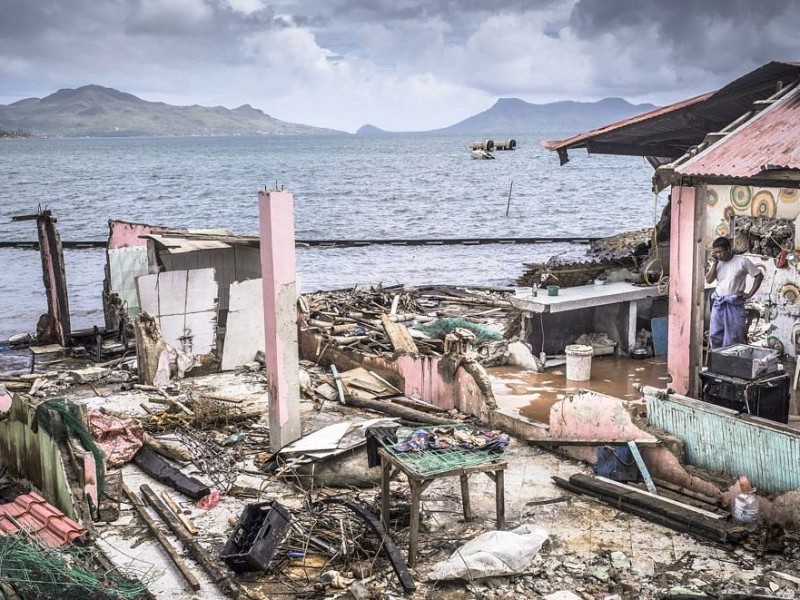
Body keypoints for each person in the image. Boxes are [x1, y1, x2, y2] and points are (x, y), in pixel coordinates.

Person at [705, 236, 763, 349]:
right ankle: (719, 360)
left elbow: (758, 275)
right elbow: (708, 280)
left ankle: (733, 362)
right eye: (716, 252)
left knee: (735, 336)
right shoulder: (717, 263)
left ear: (728, 249)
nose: (718, 255)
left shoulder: (742, 261)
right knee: (715, 334)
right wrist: (715, 263)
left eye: (720, 252)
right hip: (719, 303)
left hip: (734, 303)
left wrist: (750, 294)